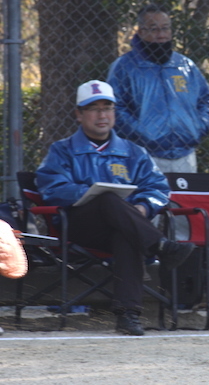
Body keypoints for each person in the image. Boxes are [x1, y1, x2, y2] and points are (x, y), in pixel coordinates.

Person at [35, 80, 195, 336]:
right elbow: (51, 188)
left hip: (127, 226)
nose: (102, 115)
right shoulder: (62, 150)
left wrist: (143, 208)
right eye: (93, 108)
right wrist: (90, 193)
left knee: (125, 233)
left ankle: (128, 314)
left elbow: (158, 188)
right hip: (78, 227)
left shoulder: (134, 152)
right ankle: (159, 245)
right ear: (79, 114)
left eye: (107, 108)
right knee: (108, 199)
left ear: (115, 113)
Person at [107, 3, 209, 173]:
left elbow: (205, 99)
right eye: (154, 29)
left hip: (185, 155)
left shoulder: (185, 66)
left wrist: (197, 128)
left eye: (165, 28)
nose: (161, 35)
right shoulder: (124, 67)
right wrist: (142, 134)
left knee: (184, 200)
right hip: (144, 154)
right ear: (141, 32)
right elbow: (114, 107)